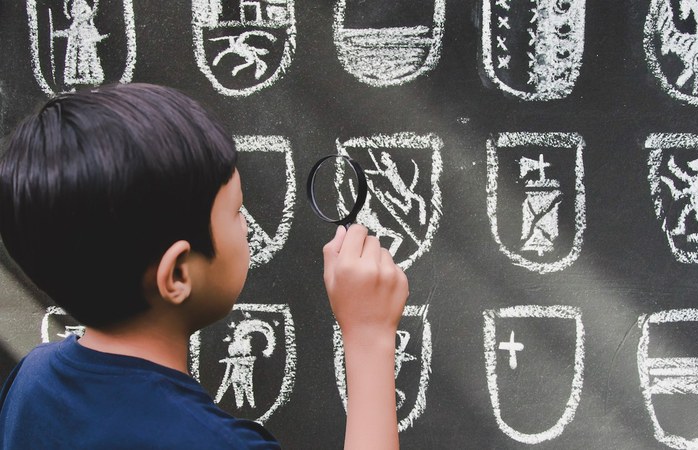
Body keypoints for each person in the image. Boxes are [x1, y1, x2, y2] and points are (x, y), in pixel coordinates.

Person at [0, 83, 408, 449]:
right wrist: (369, 336)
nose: (247, 225)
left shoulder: (30, 380)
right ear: (177, 274)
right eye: (236, 212)